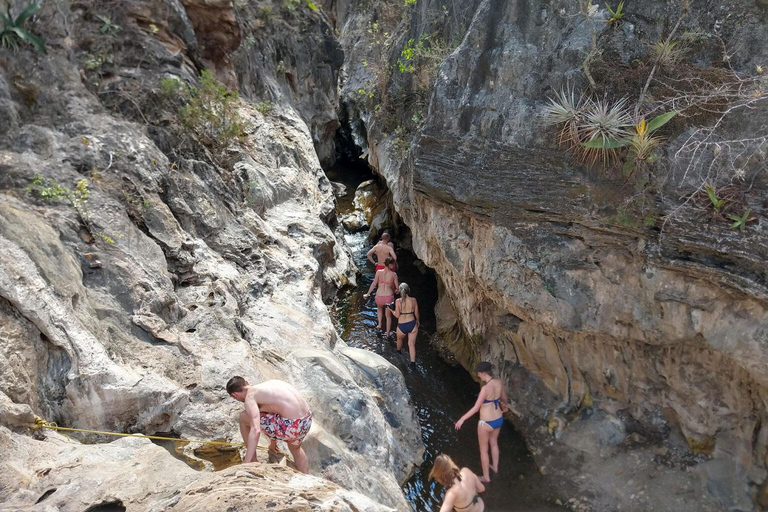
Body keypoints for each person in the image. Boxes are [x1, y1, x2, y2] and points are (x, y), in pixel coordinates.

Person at [226, 376, 313, 474]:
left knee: (243, 417)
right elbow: (275, 411)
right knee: (296, 449)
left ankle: (252, 461)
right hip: (306, 421)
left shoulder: (250, 397)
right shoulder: (269, 384)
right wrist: (273, 443)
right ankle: (306, 476)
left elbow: (256, 430)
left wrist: (245, 463)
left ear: (235, 395)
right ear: (246, 382)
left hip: (292, 426)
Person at [454, 362, 509, 482]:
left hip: (486, 423)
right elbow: (504, 398)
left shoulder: (485, 389)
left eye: (479, 373)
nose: (478, 375)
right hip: (498, 419)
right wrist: (505, 405)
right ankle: (495, 467)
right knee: (494, 443)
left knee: (483, 450)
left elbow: (476, 408)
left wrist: (462, 419)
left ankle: (486, 477)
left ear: (484, 373)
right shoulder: (499, 382)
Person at [363, 257, 399, 336]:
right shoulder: (394, 274)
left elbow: (374, 284)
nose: (393, 266)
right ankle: (388, 333)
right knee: (388, 316)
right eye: (392, 264)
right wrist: (396, 290)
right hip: (388, 297)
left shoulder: (379, 272)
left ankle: (379, 325)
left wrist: (368, 294)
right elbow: (397, 288)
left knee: (379, 309)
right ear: (390, 265)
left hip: (379, 296)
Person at [392, 282, 420, 364]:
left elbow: (397, 315)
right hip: (412, 324)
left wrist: (390, 310)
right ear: (408, 290)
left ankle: (398, 352)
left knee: (399, 339)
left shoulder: (398, 301)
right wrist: (418, 320)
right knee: (411, 345)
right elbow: (417, 313)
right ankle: (413, 363)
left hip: (402, 325)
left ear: (400, 291)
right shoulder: (414, 300)